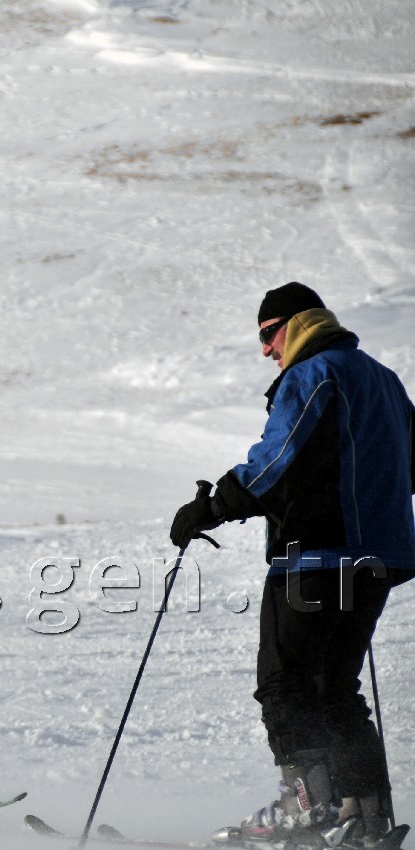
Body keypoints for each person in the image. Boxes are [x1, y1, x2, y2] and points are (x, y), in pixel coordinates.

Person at [170, 282, 414, 850]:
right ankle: (365, 816)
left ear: (297, 324)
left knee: (285, 686)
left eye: (267, 334)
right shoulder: (385, 378)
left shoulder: (314, 374)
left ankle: (312, 810)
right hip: (376, 559)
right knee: (335, 688)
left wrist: (209, 508)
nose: (265, 350)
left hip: (317, 558)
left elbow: (274, 460)